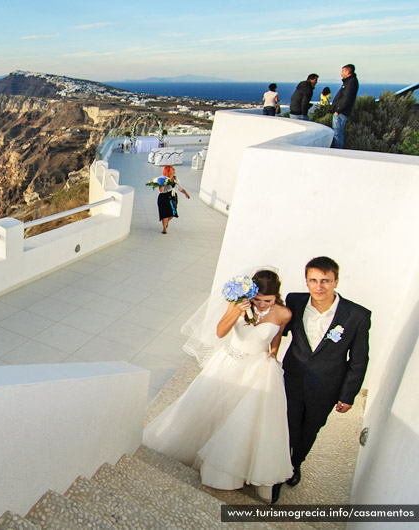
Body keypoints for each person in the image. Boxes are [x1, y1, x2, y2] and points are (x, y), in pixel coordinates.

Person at [143, 269, 293, 503]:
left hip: (257, 370)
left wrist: (274, 352)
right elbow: (220, 331)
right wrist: (237, 312)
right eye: (258, 299)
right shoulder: (238, 305)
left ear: (276, 297)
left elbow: (277, 334)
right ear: (251, 293)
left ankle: (229, 470)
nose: (262, 305)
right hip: (229, 362)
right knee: (213, 408)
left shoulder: (284, 313)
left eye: (268, 301)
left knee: (242, 419)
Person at [278, 257, 370, 497]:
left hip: (327, 387)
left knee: (310, 430)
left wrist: (348, 395)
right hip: (292, 380)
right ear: (307, 281)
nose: (319, 287)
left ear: (336, 281)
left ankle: (294, 464)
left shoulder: (357, 315)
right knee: (285, 426)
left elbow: (359, 360)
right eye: (313, 280)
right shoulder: (295, 301)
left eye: (325, 281)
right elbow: (278, 329)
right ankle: (275, 472)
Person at [330, 64, 359, 148]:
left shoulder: (351, 82)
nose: (341, 74)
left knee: (337, 133)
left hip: (341, 112)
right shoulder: (349, 82)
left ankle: (337, 151)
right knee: (337, 133)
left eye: (343, 71)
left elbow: (346, 98)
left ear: (348, 72)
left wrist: (338, 110)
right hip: (341, 112)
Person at [156, 165, 190, 234]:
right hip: (164, 197)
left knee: (173, 213)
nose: (174, 170)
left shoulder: (176, 179)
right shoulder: (163, 178)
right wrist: (162, 185)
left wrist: (186, 193)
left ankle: (166, 222)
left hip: (173, 197)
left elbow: (180, 187)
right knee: (164, 214)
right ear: (168, 171)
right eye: (172, 169)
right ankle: (164, 228)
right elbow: (160, 190)